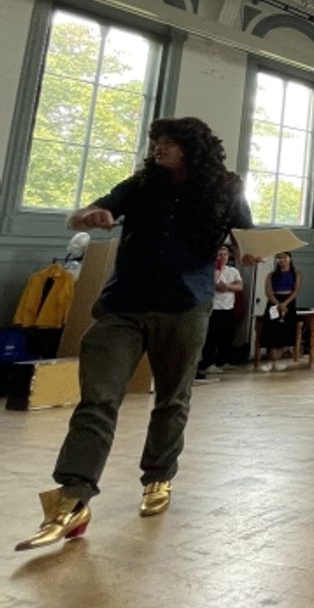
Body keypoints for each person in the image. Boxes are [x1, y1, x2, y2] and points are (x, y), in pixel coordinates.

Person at [16, 117, 255, 551]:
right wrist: (89, 216)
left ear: (193, 148)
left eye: (169, 142)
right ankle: (73, 496)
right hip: (123, 305)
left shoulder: (225, 189)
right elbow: (77, 218)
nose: (159, 148)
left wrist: (250, 253)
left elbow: (246, 240)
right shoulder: (140, 185)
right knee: (98, 399)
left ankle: (158, 476)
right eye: (157, 141)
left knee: (172, 398)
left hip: (185, 306)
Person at [196, 245, 243, 381]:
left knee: (227, 336)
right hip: (214, 308)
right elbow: (213, 285)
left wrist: (227, 286)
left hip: (228, 308)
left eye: (225, 255)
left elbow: (239, 286)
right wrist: (220, 278)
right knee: (211, 337)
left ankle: (222, 361)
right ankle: (208, 363)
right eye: (220, 255)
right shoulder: (211, 269)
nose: (223, 257)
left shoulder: (233, 271)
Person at [259, 252, 300, 372]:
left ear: (290, 259)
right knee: (272, 330)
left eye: (284, 257)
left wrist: (284, 304)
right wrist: (278, 304)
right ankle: (272, 360)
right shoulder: (271, 275)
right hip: (274, 302)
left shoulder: (296, 274)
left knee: (285, 331)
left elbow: (296, 291)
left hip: (289, 302)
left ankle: (277, 360)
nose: (282, 260)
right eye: (279, 258)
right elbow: (268, 291)